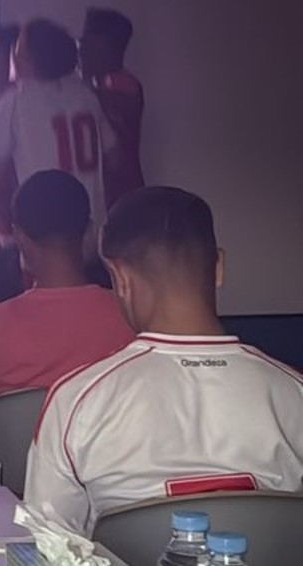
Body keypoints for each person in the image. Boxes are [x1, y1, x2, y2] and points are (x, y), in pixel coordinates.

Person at [25, 187, 303, 536]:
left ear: (121, 279)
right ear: (218, 267)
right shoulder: (294, 392)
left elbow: (48, 545)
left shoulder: (76, 401)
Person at [0, 170, 134, 442]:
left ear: (19, 237)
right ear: (89, 231)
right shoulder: (131, 314)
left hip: (18, 470)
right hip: (107, 467)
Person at [0, 18, 119, 253]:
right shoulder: (86, 96)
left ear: (29, 59)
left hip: (48, 237)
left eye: (18, 49)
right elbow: (116, 159)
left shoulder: (15, 101)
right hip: (93, 232)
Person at [79, 7, 144, 205]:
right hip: (107, 192)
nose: (81, 51)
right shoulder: (99, 84)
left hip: (122, 194)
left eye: (87, 44)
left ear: (106, 47)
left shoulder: (123, 85)